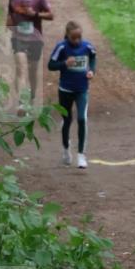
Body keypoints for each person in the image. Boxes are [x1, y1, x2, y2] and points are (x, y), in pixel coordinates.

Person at [48, 20, 96, 169]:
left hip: (82, 89)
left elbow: (93, 57)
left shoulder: (87, 46)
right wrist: (64, 64)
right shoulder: (61, 47)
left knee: (82, 119)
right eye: (73, 38)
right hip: (65, 90)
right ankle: (66, 150)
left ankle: (81, 155)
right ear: (67, 36)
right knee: (67, 120)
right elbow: (50, 65)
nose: (77, 41)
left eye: (79, 37)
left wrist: (91, 71)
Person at [6, 0, 53, 110]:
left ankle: (32, 96)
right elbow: (10, 14)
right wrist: (9, 22)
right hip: (18, 38)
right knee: (21, 69)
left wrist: (35, 14)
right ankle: (21, 103)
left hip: (35, 38)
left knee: (33, 71)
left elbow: (51, 15)